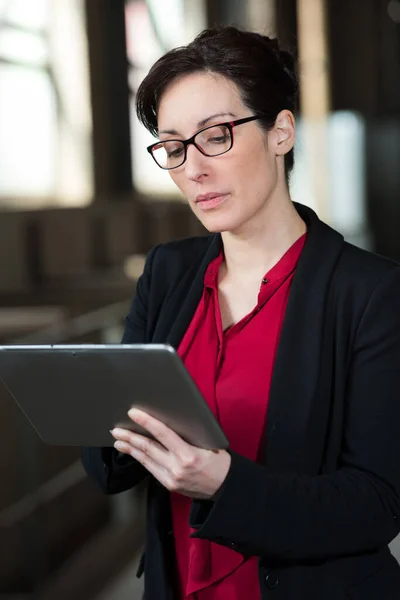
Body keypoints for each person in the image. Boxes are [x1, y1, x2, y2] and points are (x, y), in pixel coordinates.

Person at [81, 26, 400, 600]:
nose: (193, 169)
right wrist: (93, 408)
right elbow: (112, 465)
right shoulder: (169, 273)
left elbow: (377, 505)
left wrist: (224, 483)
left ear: (281, 131)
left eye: (216, 136)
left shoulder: (370, 293)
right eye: (174, 146)